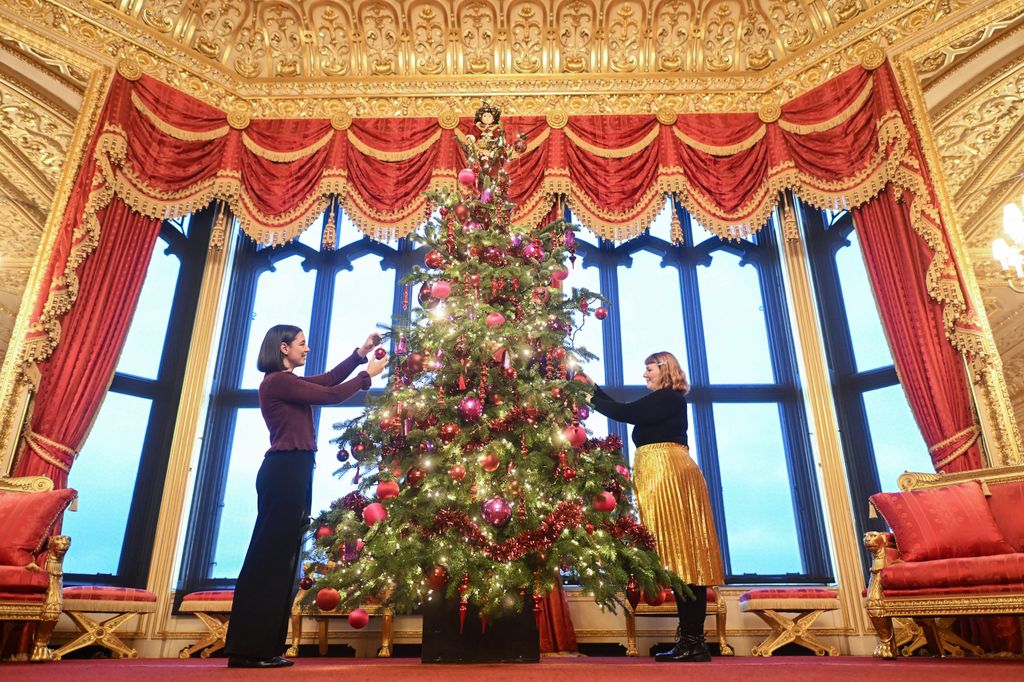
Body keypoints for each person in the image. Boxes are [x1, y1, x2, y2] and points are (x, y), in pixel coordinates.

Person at [224, 325, 388, 669]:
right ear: (283, 348)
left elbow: (326, 380)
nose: (307, 348)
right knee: (270, 558)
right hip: (285, 470)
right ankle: (249, 649)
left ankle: (263, 647)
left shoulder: (286, 381)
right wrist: (366, 376)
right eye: (301, 344)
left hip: (294, 468)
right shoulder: (277, 380)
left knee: (283, 558)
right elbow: (329, 395)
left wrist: (360, 353)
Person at [583, 352, 724, 662]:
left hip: (667, 475)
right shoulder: (665, 401)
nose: (644, 375)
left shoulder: (669, 398)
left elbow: (623, 412)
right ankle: (692, 640)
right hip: (662, 473)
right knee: (681, 556)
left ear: (664, 369)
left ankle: (693, 640)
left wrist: (587, 393)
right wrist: (591, 387)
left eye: (648, 369)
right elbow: (624, 409)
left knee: (683, 555)